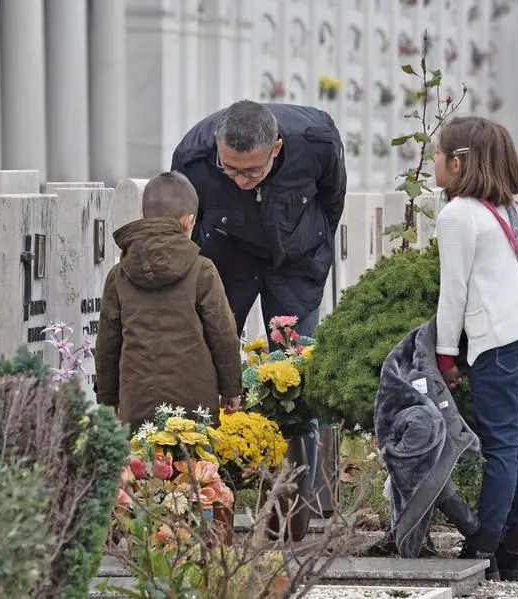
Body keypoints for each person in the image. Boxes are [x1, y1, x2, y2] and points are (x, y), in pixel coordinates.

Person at [433, 116, 518, 582]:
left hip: (495, 343)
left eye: (438, 156)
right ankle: (511, 555)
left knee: (501, 447)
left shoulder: (458, 214)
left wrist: (444, 353)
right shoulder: (509, 210)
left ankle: (483, 545)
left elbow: (453, 292)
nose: (434, 164)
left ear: (458, 163)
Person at [170, 99, 346, 341]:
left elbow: (332, 199)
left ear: (276, 149)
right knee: (213, 351)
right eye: (229, 168)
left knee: (294, 363)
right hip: (227, 252)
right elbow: (183, 225)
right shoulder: (193, 156)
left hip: (295, 258)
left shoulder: (316, 142)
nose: (241, 181)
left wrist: (317, 249)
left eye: (252, 171)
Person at [94, 171, 243, 431]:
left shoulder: (119, 275)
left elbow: (108, 341)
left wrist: (108, 396)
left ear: (143, 217)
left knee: (144, 466)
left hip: (137, 400)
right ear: (189, 222)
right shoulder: (202, 270)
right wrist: (231, 387)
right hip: (196, 402)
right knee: (196, 468)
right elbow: (223, 333)